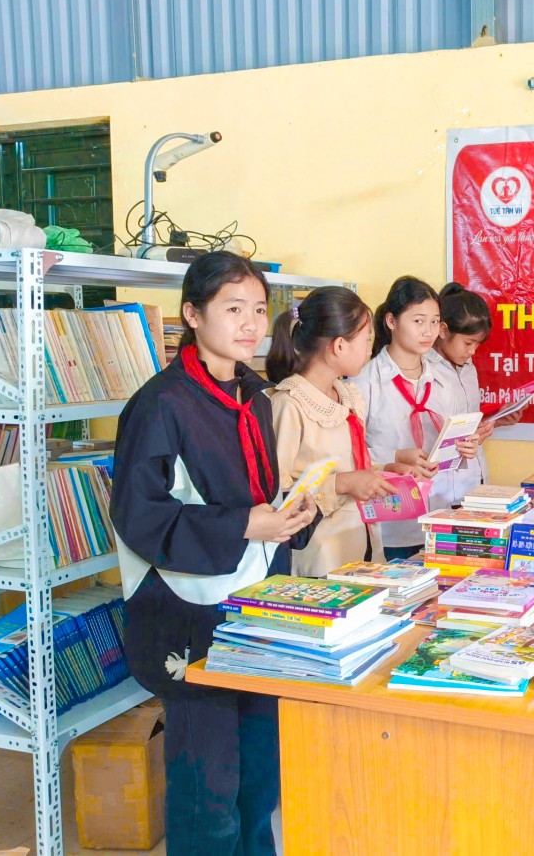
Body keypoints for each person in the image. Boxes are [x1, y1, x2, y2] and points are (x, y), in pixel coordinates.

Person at [110, 252, 319, 856]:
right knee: (208, 786)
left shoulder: (254, 396)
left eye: (258, 309)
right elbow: (140, 516)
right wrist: (245, 523)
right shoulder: (161, 404)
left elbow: (255, 495)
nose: (250, 324)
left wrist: (290, 513)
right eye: (233, 309)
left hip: (255, 601)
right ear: (192, 315)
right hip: (190, 612)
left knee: (259, 774)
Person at [266, 285, 402, 575]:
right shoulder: (289, 404)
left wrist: (388, 470)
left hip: (362, 544)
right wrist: (341, 484)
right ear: (339, 346)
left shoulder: (348, 396)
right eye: (367, 340)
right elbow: (276, 496)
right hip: (320, 557)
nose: (370, 349)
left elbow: (353, 464)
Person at [355, 276, 476, 560]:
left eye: (435, 322)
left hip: (442, 517)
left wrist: (465, 447)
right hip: (392, 523)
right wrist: (395, 457)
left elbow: (451, 444)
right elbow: (350, 455)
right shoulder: (364, 381)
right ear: (391, 321)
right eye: (418, 321)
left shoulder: (445, 378)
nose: (428, 331)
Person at [425, 282, 524, 507]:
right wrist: (467, 438)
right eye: (468, 343)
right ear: (443, 331)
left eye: (477, 345)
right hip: (441, 488)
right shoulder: (423, 370)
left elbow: (466, 419)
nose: (472, 351)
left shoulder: (468, 368)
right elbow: (425, 436)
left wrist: (495, 420)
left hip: (474, 480)